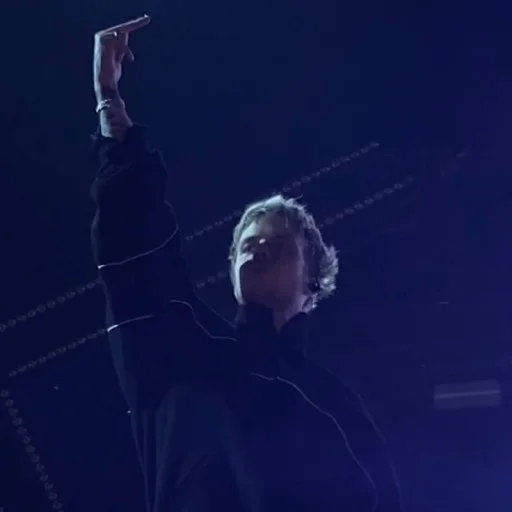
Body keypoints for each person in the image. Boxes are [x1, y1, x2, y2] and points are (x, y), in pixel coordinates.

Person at [90, 15, 403, 512]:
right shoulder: (186, 352)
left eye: (279, 245)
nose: (259, 250)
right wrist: (110, 104)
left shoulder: (335, 408)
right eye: (249, 244)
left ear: (314, 281)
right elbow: (135, 251)